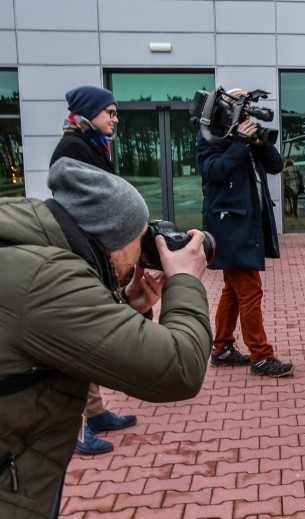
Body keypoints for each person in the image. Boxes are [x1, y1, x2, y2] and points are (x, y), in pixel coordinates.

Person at [0, 157, 212, 518]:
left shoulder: (25, 241)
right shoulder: (47, 280)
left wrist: (126, 303)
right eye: (139, 240)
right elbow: (179, 367)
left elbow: (60, 331)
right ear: (111, 241)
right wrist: (184, 280)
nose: (142, 253)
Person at [49, 85, 137, 456]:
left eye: (116, 112)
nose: (114, 118)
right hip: (79, 251)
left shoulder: (91, 144)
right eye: (110, 112)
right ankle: (77, 428)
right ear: (89, 112)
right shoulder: (73, 150)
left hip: (92, 249)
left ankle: (96, 413)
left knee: (90, 337)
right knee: (81, 339)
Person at [197, 88, 294, 378]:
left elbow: (276, 165)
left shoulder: (242, 133)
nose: (245, 109)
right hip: (228, 225)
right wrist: (239, 143)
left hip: (246, 223)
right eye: (240, 104)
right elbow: (213, 171)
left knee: (233, 291)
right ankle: (261, 356)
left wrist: (256, 141)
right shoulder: (211, 135)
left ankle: (222, 348)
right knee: (250, 289)